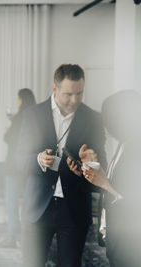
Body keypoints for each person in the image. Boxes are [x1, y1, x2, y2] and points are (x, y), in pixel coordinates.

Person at [17, 64, 107, 267]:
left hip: (74, 210)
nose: (74, 100)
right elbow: (18, 160)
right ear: (54, 89)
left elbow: (102, 169)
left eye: (79, 93)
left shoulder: (93, 119)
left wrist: (91, 162)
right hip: (37, 209)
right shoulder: (33, 115)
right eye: (68, 94)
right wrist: (37, 160)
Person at [70, 90, 141, 267]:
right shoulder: (123, 145)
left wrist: (104, 182)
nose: (106, 126)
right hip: (116, 241)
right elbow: (112, 186)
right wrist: (87, 172)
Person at [0, 88, 36, 248]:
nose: (16, 102)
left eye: (17, 99)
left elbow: (9, 138)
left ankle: (13, 236)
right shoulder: (35, 117)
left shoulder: (19, 118)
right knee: (30, 202)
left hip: (14, 166)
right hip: (29, 166)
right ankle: (28, 237)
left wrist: (8, 130)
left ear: (21, 100)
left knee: (11, 202)